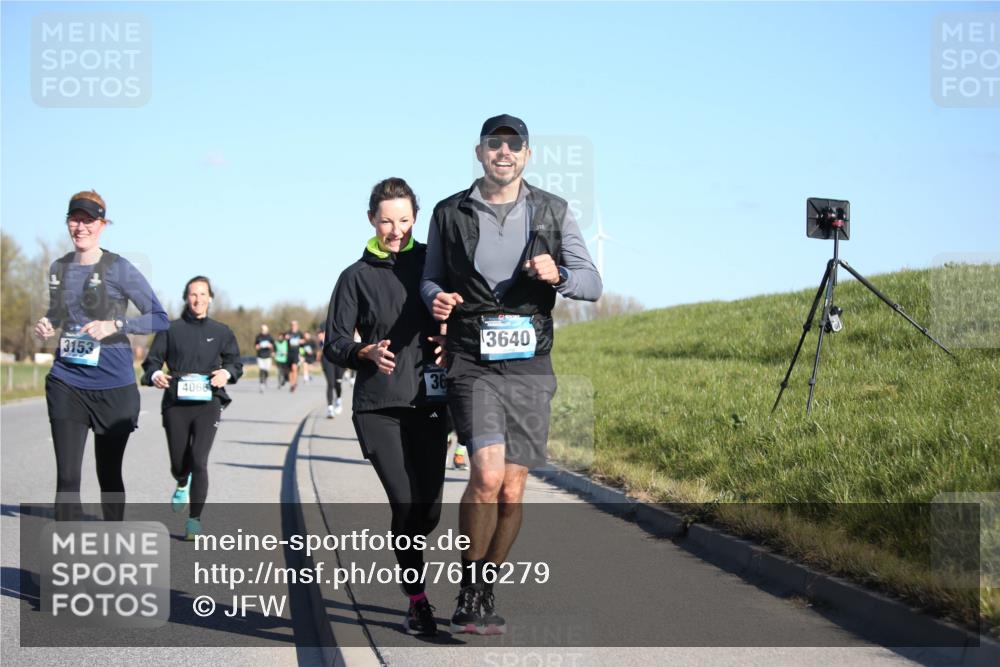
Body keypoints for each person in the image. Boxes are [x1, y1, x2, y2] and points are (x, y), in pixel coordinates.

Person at [421, 115, 603, 634]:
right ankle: (466, 586)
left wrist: (560, 274)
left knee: (513, 490)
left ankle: (483, 588)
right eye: (494, 144)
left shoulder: (553, 211)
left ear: (527, 154)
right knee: (487, 475)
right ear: (479, 153)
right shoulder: (448, 212)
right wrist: (436, 298)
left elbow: (592, 283)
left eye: (514, 145)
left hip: (530, 364)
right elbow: (430, 277)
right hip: (472, 359)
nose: (504, 152)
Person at [325, 177, 449, 636]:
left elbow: (461, 314)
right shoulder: (354, 277)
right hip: (378, 405)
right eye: (385, 221)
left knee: (429, 510)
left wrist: (449, 339)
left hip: (431, 400)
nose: (395, 230)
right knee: (405, 502)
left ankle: (409, 555)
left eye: (403, 220)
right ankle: (418, 601)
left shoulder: (434, 267)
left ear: (414, 218)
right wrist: (365, 352)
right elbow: (334, 343)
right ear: (372, 220)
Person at [34, 190, 169, 521]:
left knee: (108, 476)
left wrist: (116, 324)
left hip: (113, 387)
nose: (80, 227)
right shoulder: (59, 268)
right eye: (74, 219)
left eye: (88, 220)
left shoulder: (119, 269)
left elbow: (159, 317)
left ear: (102, 225)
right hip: (67, 382)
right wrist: (48, 324)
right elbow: (59, 312)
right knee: (67, 478)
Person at [141, 276, 242, 540]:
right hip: (176, 403)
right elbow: (152, 362)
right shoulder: (170, 329)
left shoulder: (222, 331)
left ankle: (194, 520)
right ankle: (181, 481)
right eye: (193, 294)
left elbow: (235, 363)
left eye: (203, 294)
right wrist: (155, 375)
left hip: (209, 402)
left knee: (199, 459)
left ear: (210, 298)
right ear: (186, 297)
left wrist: (226, 374)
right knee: (179, 463)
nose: (198, 299)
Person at [317, 330, 344, 418]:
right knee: (330, 384)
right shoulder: (323, 326)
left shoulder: (340, 326)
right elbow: (319, 343)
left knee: (338, 383)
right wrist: (321, 339)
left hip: (339, 359)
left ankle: (339, 400)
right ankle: (330, 409)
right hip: (327, 360)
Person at [254, 324, 276, 392]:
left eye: (265, 329)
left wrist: (272, 348)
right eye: (262, 329)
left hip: (268, 356)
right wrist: (258, 347)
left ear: (267, 329)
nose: (264, 330)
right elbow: (255, 346)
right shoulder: (258, 337)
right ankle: (261, 383)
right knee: (261, 370)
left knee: (266, 371)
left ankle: (265, 380)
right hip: (260, 356)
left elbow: (274, 346)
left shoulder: (270, 337)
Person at [285, 320, 303, 392]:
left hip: (296, 353)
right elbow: (283, 340)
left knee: (294, 368)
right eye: (292, 325)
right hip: (289, 353)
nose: (293, 326)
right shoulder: (288, 333)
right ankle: (291, 383)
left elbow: (304, 340)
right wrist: (286, 338)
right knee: (290, 370)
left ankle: (294, 383)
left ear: (297, 326)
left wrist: (301, 341)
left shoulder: (300, 333)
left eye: (295, 325)